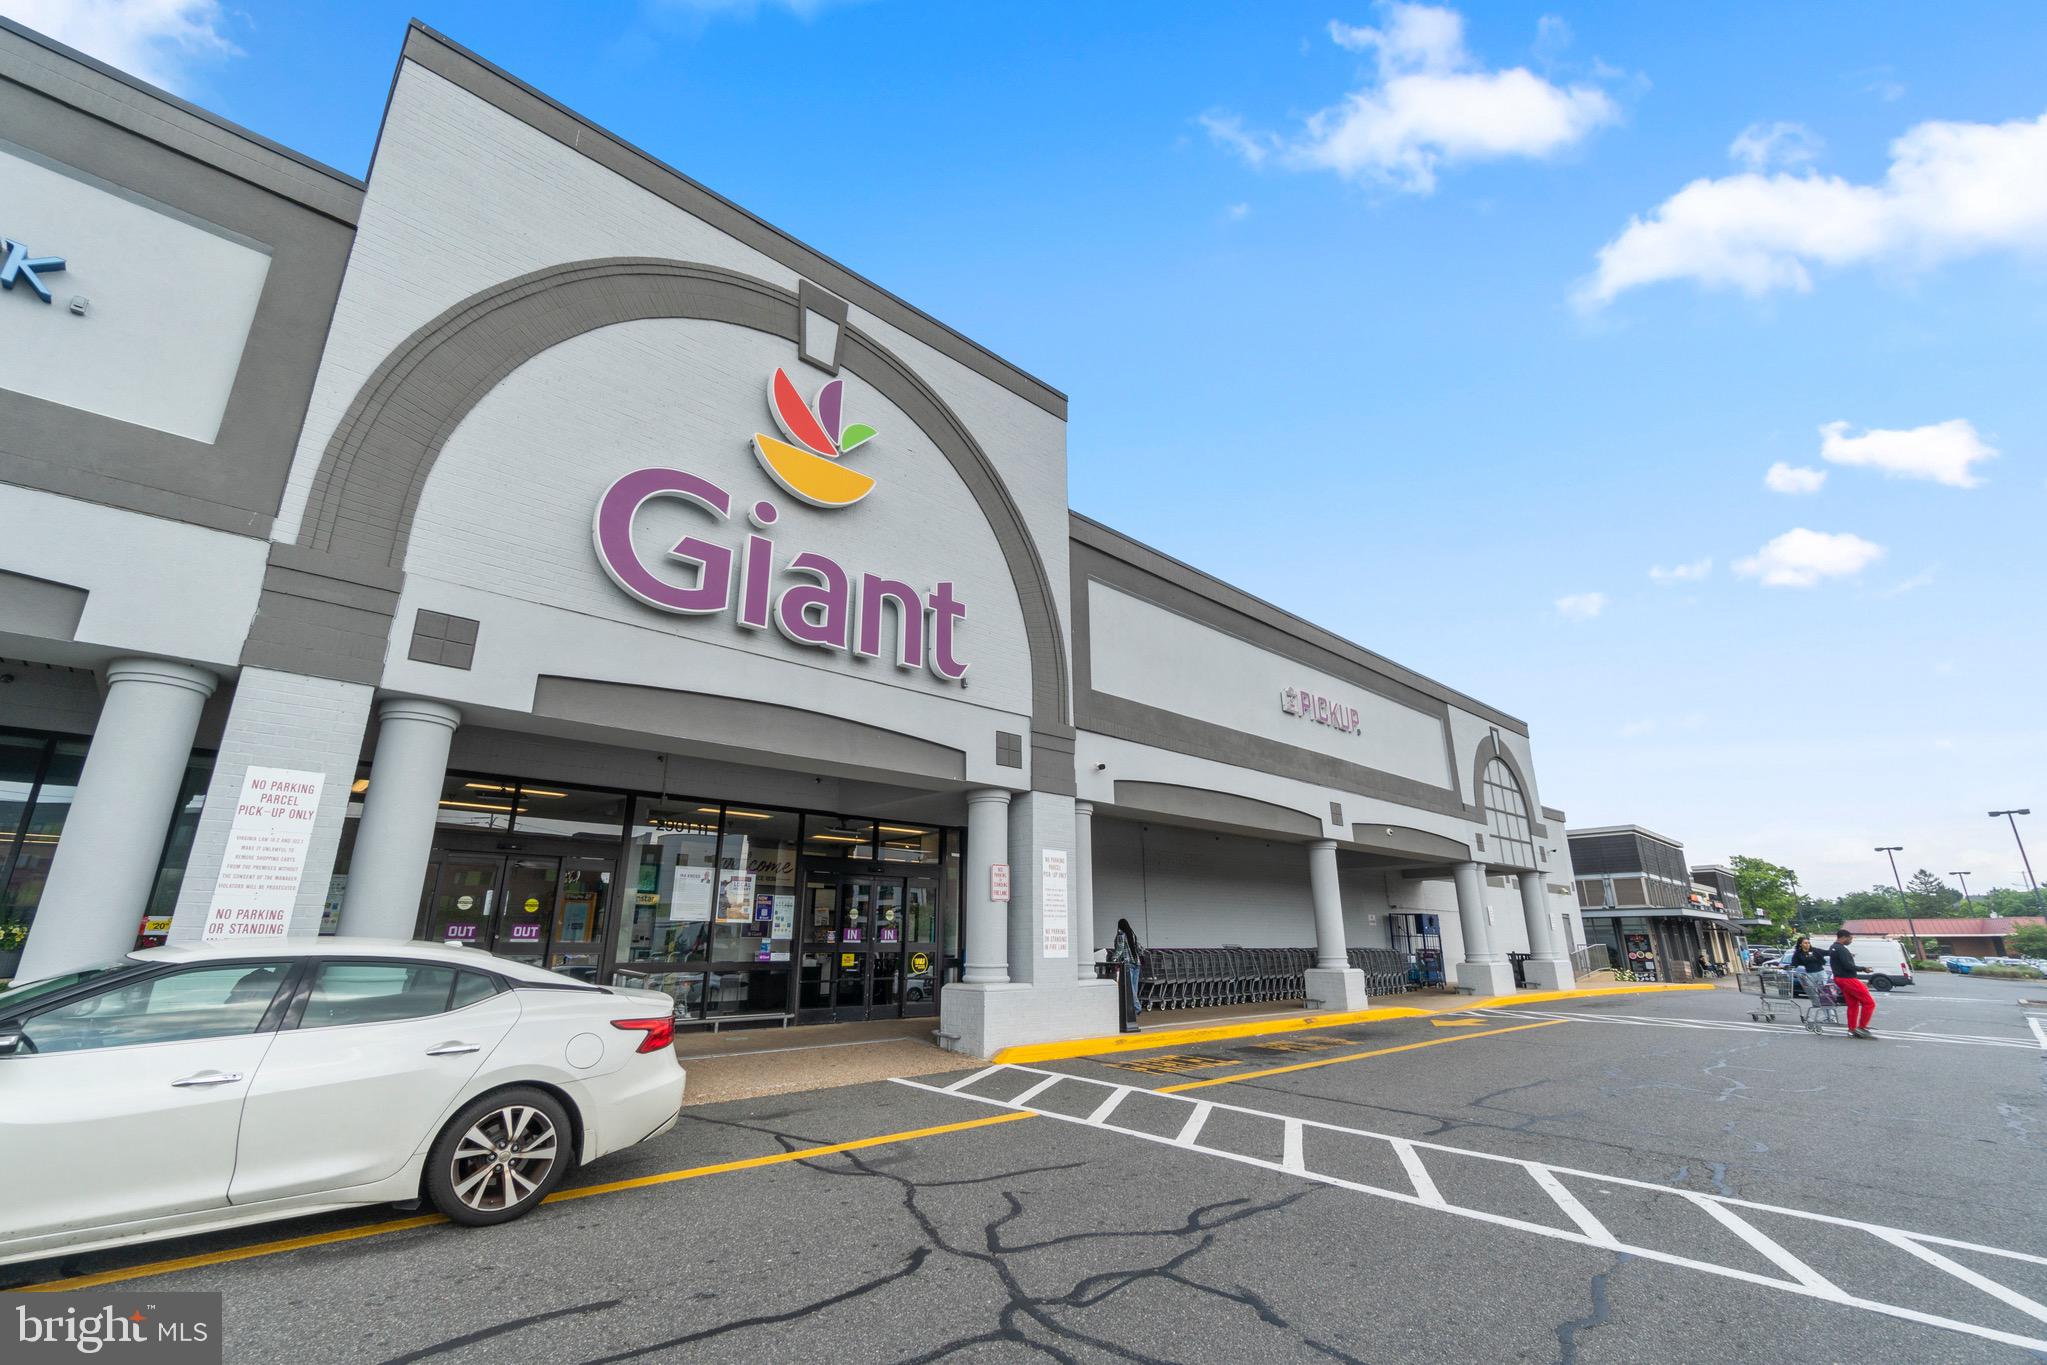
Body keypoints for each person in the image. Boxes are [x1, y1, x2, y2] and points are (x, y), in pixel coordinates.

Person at [1829, 929, 1877, 1039]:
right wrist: (1863, 969)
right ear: (1844, 937)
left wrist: (1849, 957)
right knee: (1869, 1003)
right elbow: (1847, 966)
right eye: (1850, 939)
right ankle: (1862, 1028)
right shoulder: (1841, 949)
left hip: (1839, 978)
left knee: (1853, 1004)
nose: (1851, 941)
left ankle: (1852, 1029)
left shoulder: (1833, 947)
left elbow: (1842, 962)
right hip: (1848, 978)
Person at [1110, 917, 1143, 1019]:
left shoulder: (1121, 936)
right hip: (1136, 963)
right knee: (1134, 988)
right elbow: (1140, 948)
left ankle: (1137, 1008)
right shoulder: (1132, 934)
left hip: (1128, 964)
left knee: (1131, 989)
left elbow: (1119, 950)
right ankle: (1134, 1008)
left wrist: (1113, 959)